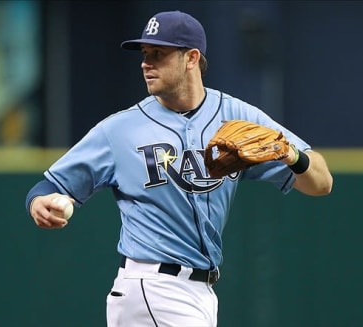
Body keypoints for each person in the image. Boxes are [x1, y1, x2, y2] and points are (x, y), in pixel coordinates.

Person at [25, 10, 333, 327]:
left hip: (199, 291)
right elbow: (49, 187)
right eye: (145, 54)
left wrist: (291, 154)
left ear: (191, 58)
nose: (146, 63)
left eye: (158, 54)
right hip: (152, 285)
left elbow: (321, 183)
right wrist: (39, 203)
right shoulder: (119, 130)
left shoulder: (237, 117)